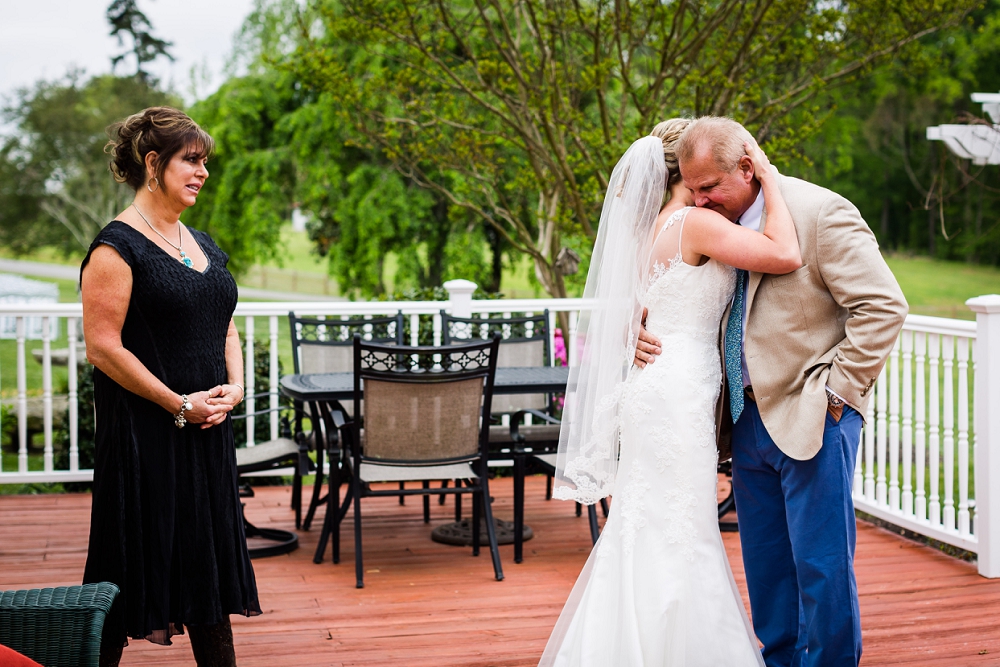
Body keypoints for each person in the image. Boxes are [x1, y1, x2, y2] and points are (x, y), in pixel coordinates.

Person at [634, 117, 908, 667]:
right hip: (743, 419)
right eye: (692, 188)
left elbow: (883, 307)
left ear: (747, 167)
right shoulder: (713, 222)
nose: (701, 200)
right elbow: (674, 291)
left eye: (710, 187)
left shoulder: (819, 214)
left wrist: (838, 395)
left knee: (821, 564)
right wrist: (635, 329)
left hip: (813, 414)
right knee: (766, 565)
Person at [541, 118, 802, 666]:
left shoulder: (653, 230)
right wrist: (772, 180)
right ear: (685, 173)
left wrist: (629, 331)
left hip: (653, 392)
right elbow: (784, 255)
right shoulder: (694, 224)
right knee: (682, 530)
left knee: (646, 526)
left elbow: (638, 308)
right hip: (678, 395)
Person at [80, 107, 261, 667]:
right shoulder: (116, 248)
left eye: (205, 161)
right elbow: (103, 347)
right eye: (191, 160)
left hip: (205, 431)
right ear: (152, 164)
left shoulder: (200, 241)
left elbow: (223, 321)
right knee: (129, 563)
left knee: (206, 565)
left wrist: (235, 385)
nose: (203, 171)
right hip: (145, 437)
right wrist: (178, 403)